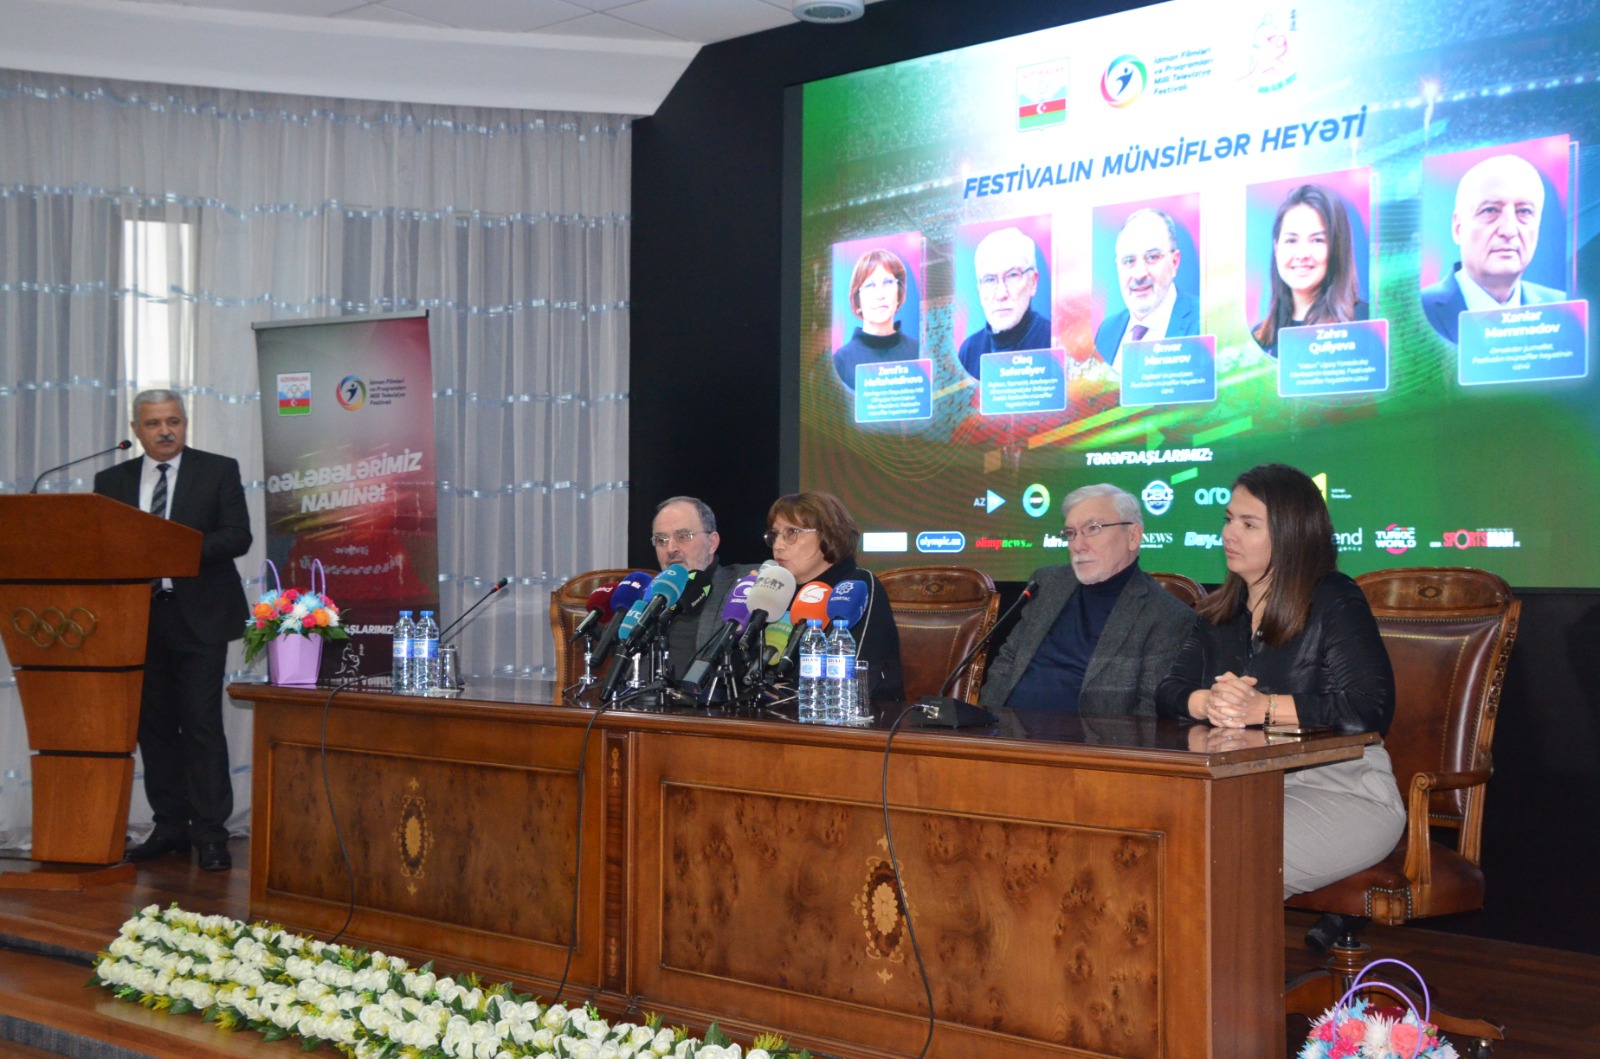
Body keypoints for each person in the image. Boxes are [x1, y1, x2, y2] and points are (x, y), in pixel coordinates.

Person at [1155, 463, 1405, 897]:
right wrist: (1208, 702)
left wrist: (1262, 709)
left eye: (1248, 524)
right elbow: (1167, 692)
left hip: (1343, 789)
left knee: (1217, 856)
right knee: (1156, 841)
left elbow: (1369, 706)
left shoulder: (1334, 598)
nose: (1229, 534)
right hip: (1246, 786)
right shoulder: (1220, 613)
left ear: (1291, 534)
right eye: (1229, 519)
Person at [93, 389, 251, 872]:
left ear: (185, 423)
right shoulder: (111, 480)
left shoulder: (217, 470)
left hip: (199, 617)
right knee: (154, 727)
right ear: (136, 430)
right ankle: (169, 827)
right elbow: (102, 544)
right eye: (154, 423)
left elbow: (237, 536)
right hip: (136, 619)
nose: (165, 431)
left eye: (174, 421)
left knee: (201, 725)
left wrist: (170, 549)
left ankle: (210, 833)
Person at [978, 484, 1196, 716]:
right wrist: (987, 721)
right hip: (1006, 728)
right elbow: (1007, 663)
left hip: (1088, 737)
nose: (1077, 545)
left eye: (1093, 528)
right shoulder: (1047, 583)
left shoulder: (1166, 615)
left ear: (1133, 536)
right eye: (1071, 533)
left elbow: (1147, 712)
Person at [766, 491, 903, 701]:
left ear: (828, 534)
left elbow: (853, 676)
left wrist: (784, 692)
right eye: (775, 535)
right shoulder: (779, 591)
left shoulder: (857, 586)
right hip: (776, 713)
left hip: (858, 715)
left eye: (792, 532)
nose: (778, 545)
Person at [1421, 153, 1566, 343]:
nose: (1509, 230)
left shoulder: (1563, 308)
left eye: (1524, 211)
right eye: (1490, 210)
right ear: (1458, 227)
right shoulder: (1417, 311)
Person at [1252, 184, 1369, 356]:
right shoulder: (1257, 341)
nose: (1302, 254)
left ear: (1336, 248)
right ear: (1276, 247)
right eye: (1291, 240)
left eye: (1317, 240)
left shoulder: (1366, 324)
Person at [651, 496, 753, 672]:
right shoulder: (648, 595)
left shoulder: (741, 586)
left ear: (712, 543)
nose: (671, 548)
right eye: (661, 539)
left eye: (683, 536)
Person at [1093, 209, 1201, 368]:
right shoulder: (1106, 333)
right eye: (1129, 261)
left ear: (1174, 262)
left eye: (1152, 257)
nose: (1139, 274)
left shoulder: (1205, 321)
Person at [957, 226, 1053, 378]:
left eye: (1012, 275)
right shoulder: (969, 352)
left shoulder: (1053, 342)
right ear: (980, 292)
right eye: (990, 280)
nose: (1001, 294)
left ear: (1033, 282)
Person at [832, 248, 919, 390]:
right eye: (870, 285)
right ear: (858, 301)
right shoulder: (840, 362)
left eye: (888, 282)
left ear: (899, 293)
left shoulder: (920, 351)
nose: (880, 294)